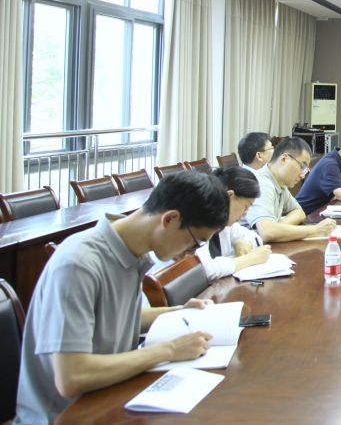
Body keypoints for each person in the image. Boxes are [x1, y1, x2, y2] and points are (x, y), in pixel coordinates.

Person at [16, 172, 230, 423]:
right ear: (170, 219)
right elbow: (72, 377)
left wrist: (178, 313)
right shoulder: (79, 263)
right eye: (195, 243)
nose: (190, 254)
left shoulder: (132, 252)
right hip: (65, 416)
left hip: (110, 399)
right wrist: (170, 349)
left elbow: (112, 319)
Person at [242, 137, 337, 242]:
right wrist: (315, 230)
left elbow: (299, 212)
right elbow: (267, 232)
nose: (302, 175)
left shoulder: (279, 183)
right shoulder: (263, 184)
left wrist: (278, 227)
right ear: (284, 159)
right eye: (302, 167)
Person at [197, 167, 273, 281]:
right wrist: (250, 259)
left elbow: (255, 237)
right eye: (246, 206)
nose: (245, 214)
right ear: (229, 196)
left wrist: (241, 242)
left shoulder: (228, 224)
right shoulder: (198, 223)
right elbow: (206, 270)